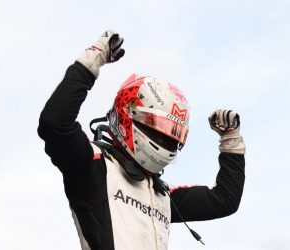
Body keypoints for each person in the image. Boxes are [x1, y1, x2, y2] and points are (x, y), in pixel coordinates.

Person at [38, 30, 245, 250]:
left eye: (172, 136)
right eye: (159, 131)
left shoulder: (163, 195)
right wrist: (93, 59)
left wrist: (231, 140)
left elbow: (225, 200)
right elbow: (55, 124)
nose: (165, 142)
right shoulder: (93, 167)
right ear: (128, 116)